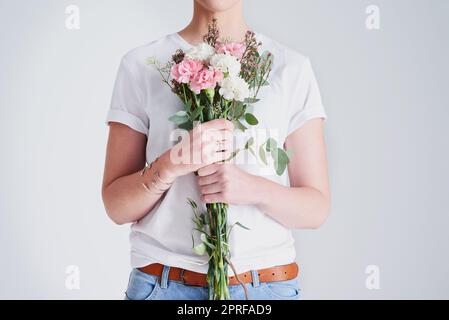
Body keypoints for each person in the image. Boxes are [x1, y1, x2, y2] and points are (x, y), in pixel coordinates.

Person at [102, 0, 330, 300]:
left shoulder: (291, 67)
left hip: (265, 290)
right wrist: (171, 165)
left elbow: (316, 209)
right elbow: (117, 206)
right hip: (164, 286)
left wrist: (253, 189)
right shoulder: (141, 64)